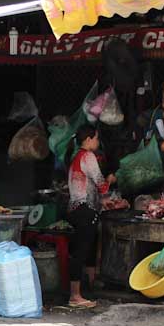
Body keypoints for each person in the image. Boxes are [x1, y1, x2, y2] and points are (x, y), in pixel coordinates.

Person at [66, 124, 116, 308]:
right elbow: (100, 182)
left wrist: (102, 201)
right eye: (96, 138)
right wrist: (110, 180)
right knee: (81, 251)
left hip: (78, 208)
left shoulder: (76, 157)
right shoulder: (88, 156)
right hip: (84, 209)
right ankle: (75, 296)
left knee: (89, 248)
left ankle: (90, 286)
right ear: (88, 139)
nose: (97, 141)